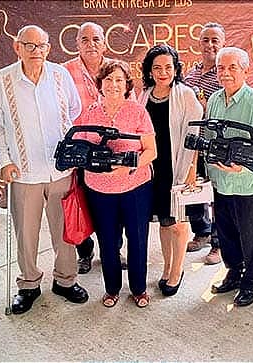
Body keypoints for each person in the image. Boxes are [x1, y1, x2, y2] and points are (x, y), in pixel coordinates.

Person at [0, 25, 88, 315]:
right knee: (26, 234)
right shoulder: (3, 79)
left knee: (65, 231)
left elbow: (74, 110)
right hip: (23, 172)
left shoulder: (60, 75)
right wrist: (5, 161)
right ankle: (29, 285)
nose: (36, 51)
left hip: (61, 171)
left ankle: (65, 280)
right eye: (29, 45)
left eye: (41, 46)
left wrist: (67, 149)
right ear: (17, 47)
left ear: (48, 48)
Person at [78, 60, 157, 308]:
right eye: (109, 79)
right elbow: (82, 151)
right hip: (99, 190)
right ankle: (111, 288)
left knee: (137, 239)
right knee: (108, 241)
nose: (113, 84)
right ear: (100, 83)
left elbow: (151, 151)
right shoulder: (90, 112)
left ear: (126, 85)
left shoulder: (137, 112)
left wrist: (128, 166)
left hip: (135, 188)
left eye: (119, 80)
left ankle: (139, 289)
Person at [208, 47, 253, 307]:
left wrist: (243, 168)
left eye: (232, 67)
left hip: (246, 183)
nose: (225, 73)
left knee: (251, 234)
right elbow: (209, 138)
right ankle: (234, 272)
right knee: (225, 231)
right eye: (221, 68)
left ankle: (251, 282)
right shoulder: (213, 100)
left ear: (245, 70)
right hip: (220, 181)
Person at [138, 44, 203, 296]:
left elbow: (195, 135)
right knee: (164, 223)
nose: (163, 72)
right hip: (153, 170)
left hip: (179, 166)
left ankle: (177, 271)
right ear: (150, 71)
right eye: (157, 67)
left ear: (176, 69)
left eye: (168, 67)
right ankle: (166, 268)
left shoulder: (185, 95)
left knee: (179, 223)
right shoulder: (143, 95)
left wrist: (191, 171)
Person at [62, 22, 112, 274]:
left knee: (111, 203)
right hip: (79, 151)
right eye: (85, 39)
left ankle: (111, 251)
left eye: (96, 39)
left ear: (104, 42)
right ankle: (85, 251)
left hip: (109, 148)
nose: (91, 44)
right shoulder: (63, 72)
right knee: (80, 202)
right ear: (77, 44)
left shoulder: (115, 70)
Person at [183, 22, 226, 265]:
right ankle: (202, 231)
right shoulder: (191, 74)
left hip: (217, 143)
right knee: (194, 189)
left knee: (218, 194)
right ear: (199, 43)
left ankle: (218, 244)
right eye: (206, 40)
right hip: (193, 143)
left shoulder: (225, 72)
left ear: (222, 43)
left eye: (215, 40)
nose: (210, 45)